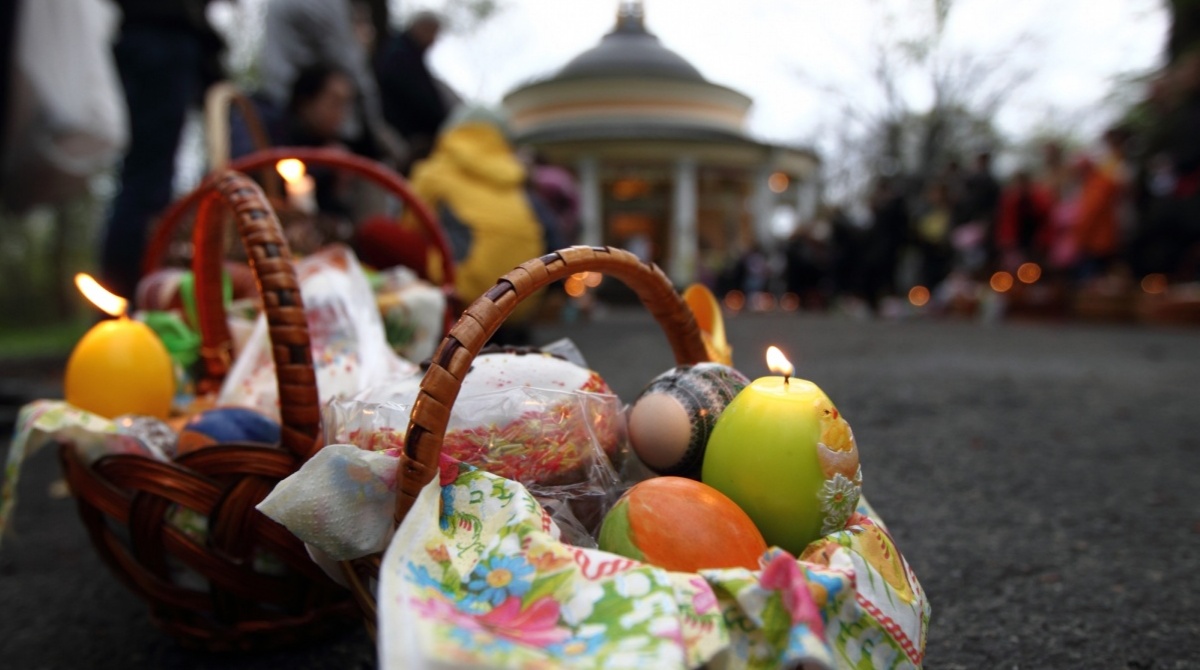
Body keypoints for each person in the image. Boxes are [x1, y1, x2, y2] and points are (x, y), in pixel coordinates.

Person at [355, 106, 550, 343]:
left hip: (467, 293)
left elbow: (409, 226)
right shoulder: (514, 179)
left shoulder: (434, 170)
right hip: (522, 299)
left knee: (375, 231)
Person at [100, 0, 226, 303]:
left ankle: (131, 294)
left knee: (149, 177)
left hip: (161, 34)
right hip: (159, 35)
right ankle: (126, 299)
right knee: (147, 181)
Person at [258, 0, 400, 162]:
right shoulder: (325, 5)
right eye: (359, 23)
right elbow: (347, 59)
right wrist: (375, 128)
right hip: (306, 116)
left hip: (287, 103)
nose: (368, 33)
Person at [374, 11, 451, 173]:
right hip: (414, 141)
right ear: (423, 28)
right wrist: (441, 121)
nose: (433, 41)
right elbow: (418, 96)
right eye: (433, 34)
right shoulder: (400, 55)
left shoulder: (408, 53)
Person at [996, 170, 1053, 269]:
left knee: (1034, 264)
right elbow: (1006, 220)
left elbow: (1044, 215)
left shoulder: (1038, 195)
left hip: (1035, 237)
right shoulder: (1011, 198)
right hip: (1018, 237)